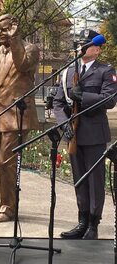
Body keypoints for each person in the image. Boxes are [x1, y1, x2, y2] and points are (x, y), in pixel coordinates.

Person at [53, 29, 117, 240]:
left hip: (94, 134)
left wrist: (85, 96)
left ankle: (93, 224)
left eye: (85, 44)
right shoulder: (69, 72)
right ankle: (81, 221)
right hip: (74, 134)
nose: (80, 47)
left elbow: (109, 100)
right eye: (79, 43)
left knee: (95, 180)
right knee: (79, 178)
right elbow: (59, 103)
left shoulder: (105, 71)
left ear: (97, 49)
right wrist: (64, 125)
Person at [0, 14, 40, 222]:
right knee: (2, 163)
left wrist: (14, 40)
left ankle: (8, 207)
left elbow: (22, 65)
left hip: (17, 114)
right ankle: (5, 204)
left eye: (4, 29)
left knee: (6, 160)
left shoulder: (30, 49)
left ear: (14, 28)